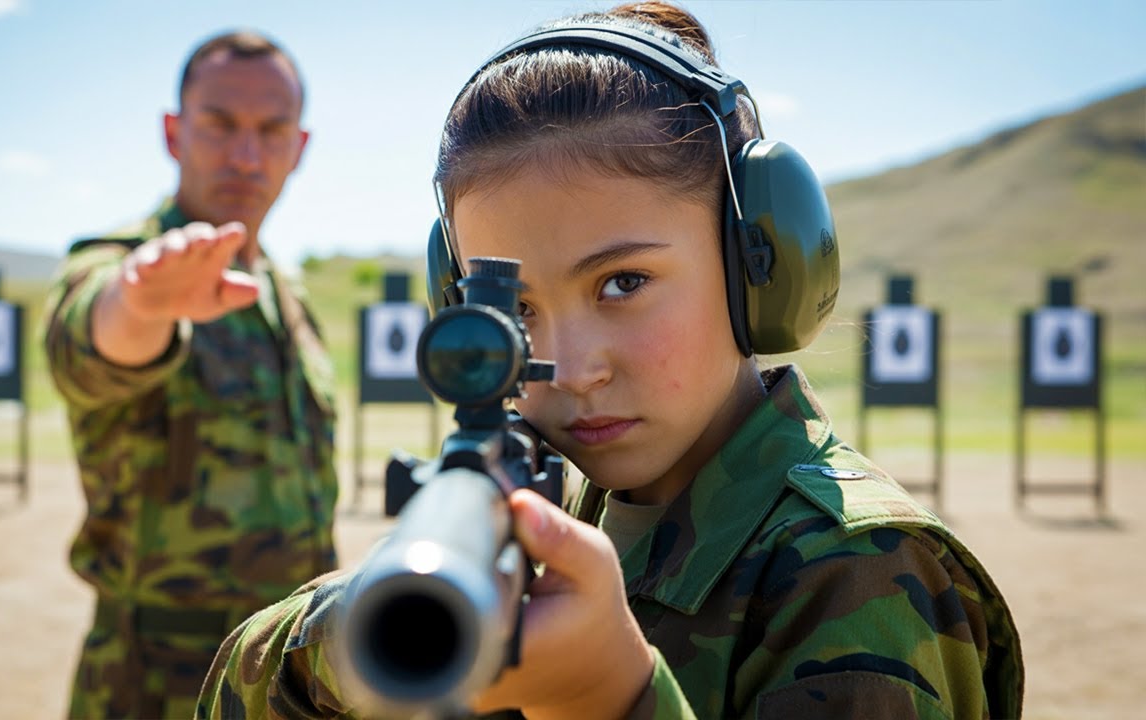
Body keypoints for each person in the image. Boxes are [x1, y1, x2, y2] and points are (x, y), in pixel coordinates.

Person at [196, 3, 1024, 719]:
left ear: (759, 268)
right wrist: (365, 627)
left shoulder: (857, 573)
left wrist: (607, 700)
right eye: (516, 310)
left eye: (623, 282)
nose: (570, 366)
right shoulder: (570, 506)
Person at [43, 30, 338, 720]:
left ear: (298, 148)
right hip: (155, 683)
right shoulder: (123, 262)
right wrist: (140, 303)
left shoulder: (289, 300)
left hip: (288, 675)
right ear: (174, 133)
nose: (246, 154)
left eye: (271, 130)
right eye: (219, 124)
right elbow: (88, 344)